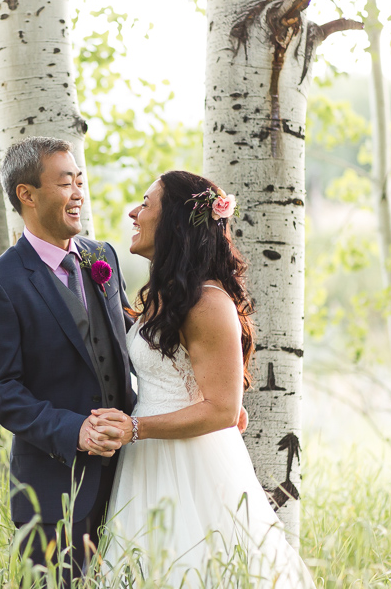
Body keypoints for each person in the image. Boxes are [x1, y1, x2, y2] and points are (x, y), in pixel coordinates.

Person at [92, 170, 316, 588]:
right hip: (148, 461)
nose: (133, 212)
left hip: (189, 463)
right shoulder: (168, 299)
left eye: (145, 203)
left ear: (174, 222)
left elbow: (222, 409)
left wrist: (135, 428)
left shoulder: (210, 303)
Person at [0, 136, 137, 584]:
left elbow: (126, 349)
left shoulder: (104, 257)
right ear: (27, 194)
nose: (79, 192)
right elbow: (0, 391)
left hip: (131, 479)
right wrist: (74, 430)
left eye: (80, 181)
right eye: (66, 183)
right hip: (53, 492)